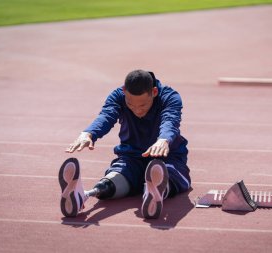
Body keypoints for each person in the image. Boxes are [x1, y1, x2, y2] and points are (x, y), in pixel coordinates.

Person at [59, 69, 191, 219]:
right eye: (130, 104)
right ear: (124, 91)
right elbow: (106, 116)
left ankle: (155, 191)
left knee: (168, 173)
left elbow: (170, 120)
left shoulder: (170, 97)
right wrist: (88, 134)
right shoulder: (117, 96)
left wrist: (163, 140)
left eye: (142, 106)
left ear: (154, 92)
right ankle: (83, 195)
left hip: (167, 157)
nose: (137, 110)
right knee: (117, 175)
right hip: (131, 158)